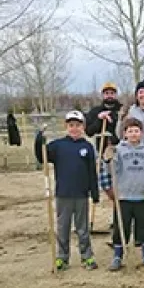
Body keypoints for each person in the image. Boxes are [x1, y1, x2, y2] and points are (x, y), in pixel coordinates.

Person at [34, 111, 99, 271]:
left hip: (81, 194)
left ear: (83, 127)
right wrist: (39, 140)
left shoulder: (87, 147)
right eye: (71, 125)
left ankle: (87, 256)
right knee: (63, 228)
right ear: (66, 126)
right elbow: (42, 156)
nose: (74, 129)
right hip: (63, 194)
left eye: (77, 125)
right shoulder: (58, 146)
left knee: (82, 228)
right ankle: (62, 258)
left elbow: (92, 171)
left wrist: (94, 192)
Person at [99, 118, 144, 271]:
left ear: (141, 133)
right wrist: (107, 159)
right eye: (130, 131)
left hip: (141, 196)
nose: (133, 134)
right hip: (123, 197)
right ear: (124, 133)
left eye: (136, 131)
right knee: (121, 227)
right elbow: (112, 171)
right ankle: (117, 256)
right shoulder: (119, 150)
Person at [116, 79, 144, 154]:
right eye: (140, 92)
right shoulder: (131, 112)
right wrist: (120, 119)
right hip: (135, 154)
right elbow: (120, 135)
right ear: (137, 96)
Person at [85, 82, 123, 156]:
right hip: (100, 153)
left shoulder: (122, 111)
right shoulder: (95, 112)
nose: (109, 96)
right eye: (107, 93)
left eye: (112, 93)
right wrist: (99, 119)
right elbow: (89, 132)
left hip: (120, 152)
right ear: (102, 95)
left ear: (116, 95)